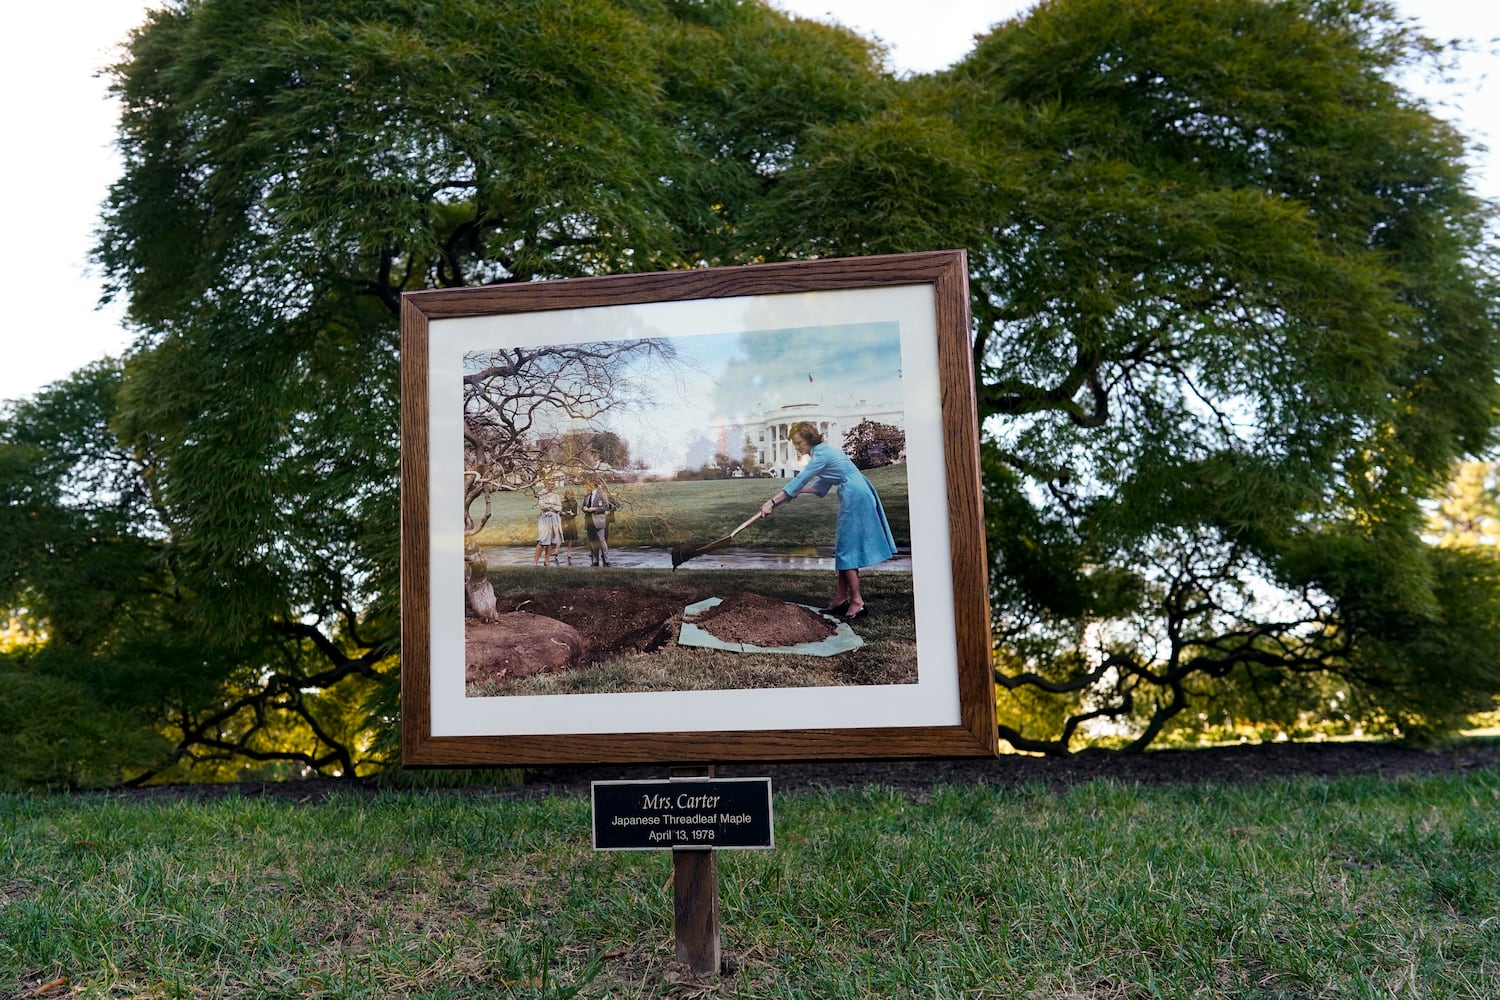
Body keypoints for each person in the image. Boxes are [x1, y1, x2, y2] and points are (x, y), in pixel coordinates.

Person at [758, 421, 897, 621]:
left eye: (798, 443)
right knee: (844, 547)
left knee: (846, 549)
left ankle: (857, 603)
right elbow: (819, 486)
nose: (796, 447)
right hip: (855, 490)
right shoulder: (823, 452)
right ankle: (841, 599)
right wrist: (794, 494)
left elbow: (801, 479)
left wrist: (772, 502)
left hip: (855, 494)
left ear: (809, 439)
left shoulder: (821, 455)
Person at [582, 480, 617, 567]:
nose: (585, 487)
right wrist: (584, 508)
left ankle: (607, 560)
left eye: (587, 485)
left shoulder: (601, 494)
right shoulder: (587, 496)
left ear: (592, 485)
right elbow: (583, 506)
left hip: (598, 520)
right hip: (589, 520)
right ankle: (595, 561)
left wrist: (594, 509)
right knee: (592, 541)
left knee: (602, 541)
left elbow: (605, 506)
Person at [533, 479, 563, 566]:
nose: (552, 486)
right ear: (546, 484)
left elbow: (559, 507)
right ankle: (535, 562)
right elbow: (542, 505)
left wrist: (551, 507)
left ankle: (547, 561)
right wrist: (552, 506)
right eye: (550, 484)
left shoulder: (555, 494)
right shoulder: (541, 493)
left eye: (553, 484)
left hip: (554, 518)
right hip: (545, 519)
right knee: (542, 540)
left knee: (551, 541)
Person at [560, 489, 579, 566]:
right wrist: (564, 514)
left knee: (570, 537)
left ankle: (569, 552)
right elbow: (560, 512)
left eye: (569, 494)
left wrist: (569, 514)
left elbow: (575, 513)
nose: (568, 495)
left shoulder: (575, 503)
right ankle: (557, 550)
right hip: (564, 520)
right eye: (567, 494)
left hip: (571, 521)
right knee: (561, 536)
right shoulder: (563, 503)